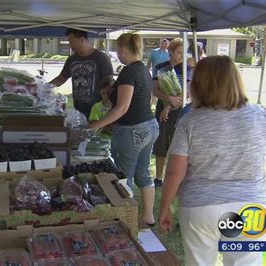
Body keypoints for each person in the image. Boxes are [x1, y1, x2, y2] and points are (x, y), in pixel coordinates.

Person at [159, 56, 266, 266]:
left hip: (201, 208)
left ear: (199, 84)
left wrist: (164, 208)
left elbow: (175, 173)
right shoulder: (261, 115)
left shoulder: (189, 122)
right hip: (252, 208)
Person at [90, 33, 159, 226]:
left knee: (123, 176)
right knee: (143, 172)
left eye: (117, 49)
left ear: (123, 50)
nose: (117, 53)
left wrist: (98, 124)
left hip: (132, 130)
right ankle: (148, 216)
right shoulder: (143, 70)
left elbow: (122, 107)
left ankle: (125, 220)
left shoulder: (129, 72)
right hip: (150, 126)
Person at [152, 38, 192, 188]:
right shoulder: (160, 67)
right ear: (171, 52)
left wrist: (168, 106)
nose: (183, 55)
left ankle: (175, 177)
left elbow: (185, 94)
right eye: (180, 52)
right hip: (161, 108)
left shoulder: (187, 69)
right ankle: (158, 178)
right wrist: (167, 99)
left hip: (179, 112)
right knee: (160, 143)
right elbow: (155, 89)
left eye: (185, 52)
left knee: (177, 146)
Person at [51, 28, 113, 118]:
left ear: (82, 40)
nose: (70, 45)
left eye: (72, 42)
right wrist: (44, 87)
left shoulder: (101, 58)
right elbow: (61, 78)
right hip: (78, 109)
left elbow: (109, 82)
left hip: (97, 110)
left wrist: (106, 103)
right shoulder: (71, 60)